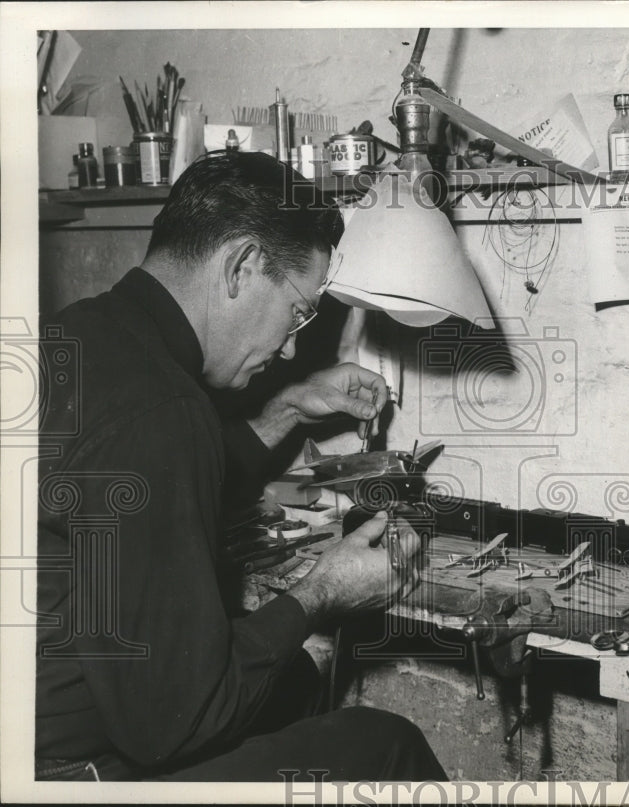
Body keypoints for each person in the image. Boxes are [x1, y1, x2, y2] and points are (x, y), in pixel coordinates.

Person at [34, 151, 446, 782]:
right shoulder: (162, 409)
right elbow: (171, 727)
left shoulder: (82, 334)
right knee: (387, 745)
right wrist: (322, 592)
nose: (291, 347)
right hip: (65, 773)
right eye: (298, 312)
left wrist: (287, 409)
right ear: (241, 266)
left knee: (293, 678)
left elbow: (150, 486)